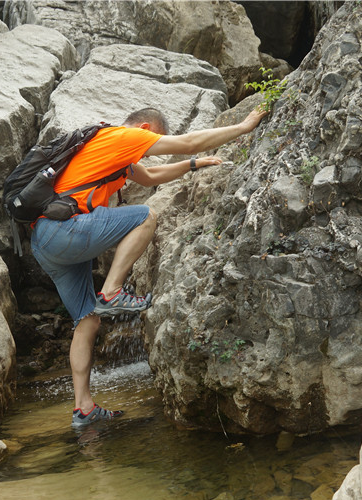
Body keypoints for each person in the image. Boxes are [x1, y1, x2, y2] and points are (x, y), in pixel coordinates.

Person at [30, 106, 268, 427]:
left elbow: (153, 175)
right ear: (144, 128)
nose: (151, 146)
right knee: (145, 216)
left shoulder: (105, 150)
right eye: (153, 138)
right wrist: (245, 126)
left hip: (45, 242)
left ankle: (83, 406)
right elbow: (187, 142)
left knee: (87, 321)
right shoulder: (124, 136)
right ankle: (112, 291)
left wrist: (193, 165)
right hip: (66, 229)